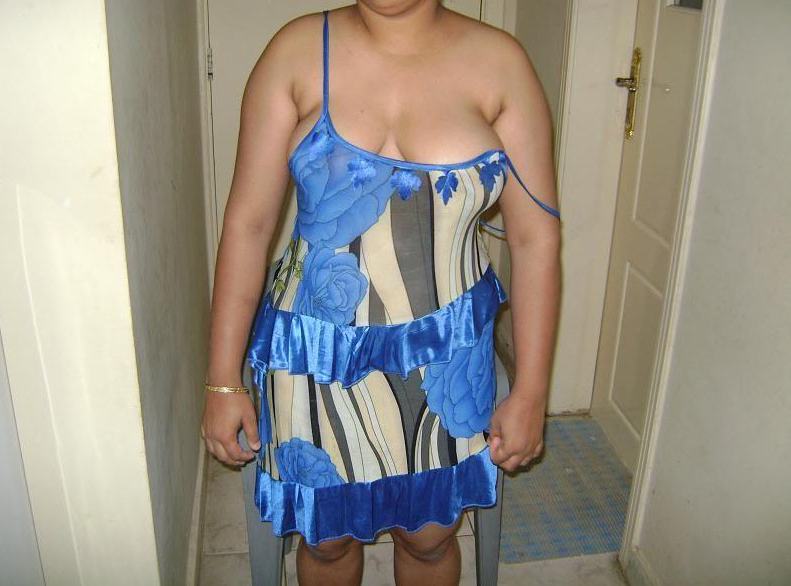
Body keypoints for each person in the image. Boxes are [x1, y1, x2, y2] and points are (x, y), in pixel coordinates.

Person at [201, 2, 561, 585]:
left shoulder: (502, 65)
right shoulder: (293, 52)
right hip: (313, 359)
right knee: (326, 541)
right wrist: (223, 379)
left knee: (429, 539)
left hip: (446, 362)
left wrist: (531, 390)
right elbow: (248, 224)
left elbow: (534, 237)